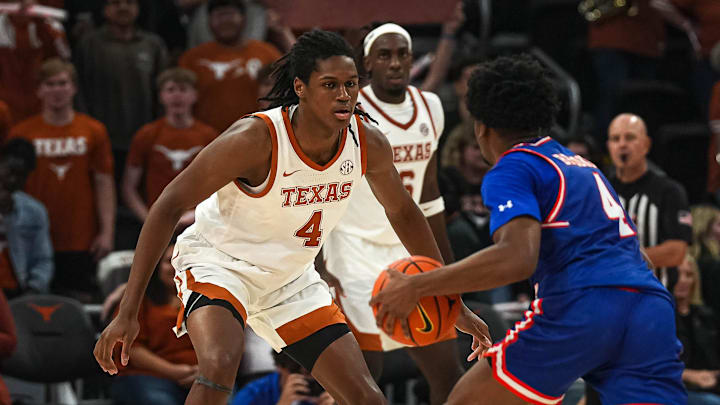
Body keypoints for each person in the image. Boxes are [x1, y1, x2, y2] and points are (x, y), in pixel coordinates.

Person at [93, 30, 491, 405]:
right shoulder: (255, 139)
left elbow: (404, 212)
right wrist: (128, 312)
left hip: (290, 279)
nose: (344, 95)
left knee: (368, 398)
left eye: (351, 84)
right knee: (218, 369)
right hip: (221, 265)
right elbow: (167, 204)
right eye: (330, 84)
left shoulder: (366, 141)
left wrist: (451, 301)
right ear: (300, 87)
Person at [371, 54, 687, 404]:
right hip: (649, 306)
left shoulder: (514, 167)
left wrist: (418, 285)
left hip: (582, 306)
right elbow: (637, 253)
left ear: (481, 127)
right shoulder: (582, 166)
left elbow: (516, 258)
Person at [317, 23, 462, 405]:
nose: (395, 63)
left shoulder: (431, 106)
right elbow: (319, 189)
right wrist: (317, 266)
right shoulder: (349, 111)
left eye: (402, 54)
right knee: (363, 381)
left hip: (408, 254)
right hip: (351, 252)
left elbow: (429, 196)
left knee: (448, 372)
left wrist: (444, 268)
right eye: (384, 55)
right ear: (367, 63)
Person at [7, 58, 115, 303]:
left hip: (80, 235)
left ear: (73, 87)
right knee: (30, 302)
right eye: (50, 84)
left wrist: (107, 232)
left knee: (81, 302)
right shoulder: (22, 133)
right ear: (39, 90)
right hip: (32, 232)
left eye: (62, 83)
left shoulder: (93, 130)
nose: (57, 90)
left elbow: (104, 181)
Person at [74, 0, 169, 173]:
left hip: (145, 136)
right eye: (116, 3)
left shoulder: (153, 44)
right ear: (105, 9)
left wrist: (159, 130)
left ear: (138, 8)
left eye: (129, 2)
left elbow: (163, 91)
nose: (123, 7)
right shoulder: (89, 44)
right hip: (101, 136)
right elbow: (79, 90)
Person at [606, 113, 692, 288]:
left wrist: (621, 260)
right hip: (613, 299)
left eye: (630, 138)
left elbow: (676, 251)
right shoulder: (601, 189)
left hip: (656, 298)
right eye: (615, 139)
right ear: (609, 146)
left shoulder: (669, 191)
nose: (622, 144)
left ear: (646, 145)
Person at [123, 67, 217, 224]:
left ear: (194, 95)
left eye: (183, 89)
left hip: (198, 220)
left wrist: (193, 216)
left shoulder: (209, 135)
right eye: (170, 89)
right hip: (155, 217)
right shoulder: (147, 134)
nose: (177, 95)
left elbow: (218, 184)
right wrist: (149, 220)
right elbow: (129, 187)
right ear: (161, 96)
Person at [109, 241, 198, 405]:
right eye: (168, 261)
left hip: (200, 377)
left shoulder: (208, 301)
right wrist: (175, 372)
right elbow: (131, 350)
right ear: (156, 266)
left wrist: (205, 373)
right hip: (146, 376)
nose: (176, 267)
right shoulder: (138, 301)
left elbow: (223, 345)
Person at [178, 0, 283, 133]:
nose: (225, 21)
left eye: (230, 15)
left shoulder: (267, 53)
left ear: (244, 19)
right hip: (208, 141)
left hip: (256, 135)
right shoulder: (191, 58)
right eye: (219, 16)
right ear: (208, 21)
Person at [0, 140, 53, 298]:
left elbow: (43, 260)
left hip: (17, 292)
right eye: (10, 172)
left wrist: (33, 291)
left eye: (21, 176)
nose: (13, 180)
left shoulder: (34, 211)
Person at [674, 254, 720, 405]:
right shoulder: (663, 317)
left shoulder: (706, 315)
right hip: (679, 387)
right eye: (677, 274)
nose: (682, 281)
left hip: (711, 383)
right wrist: (691, 375)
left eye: (688, 275)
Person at [230, 351, 335, 405]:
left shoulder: (332, 390)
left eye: (314, 375)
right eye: (295, 370)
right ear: (279, 367)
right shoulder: (254, 393)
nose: (307, 381)